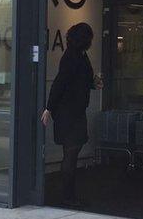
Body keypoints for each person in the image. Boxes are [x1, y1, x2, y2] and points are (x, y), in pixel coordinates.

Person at [41, 22, 99, 208]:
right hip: (69, 113)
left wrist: (93, 83)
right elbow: (60, 83)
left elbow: (81, 80)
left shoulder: (81, 55)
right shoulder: (72, 57)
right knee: (71, 153)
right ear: (85, 39)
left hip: (74, 111)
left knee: (72, 151)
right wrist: (49, 108)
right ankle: (67, 196)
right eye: (89, 38)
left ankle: (69, 194)